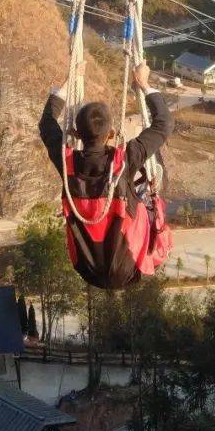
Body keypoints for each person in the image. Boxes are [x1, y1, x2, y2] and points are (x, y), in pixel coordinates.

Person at [38, 62, 174, 289]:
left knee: (135, 190)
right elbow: (164, 124)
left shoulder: (67, 162)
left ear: (76, 134)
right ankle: (142, 192)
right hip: (129, 267)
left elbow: (46, 124)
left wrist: (67, 84)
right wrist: (144, 84)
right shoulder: (124, 160)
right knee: (149, 191)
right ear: (111, 134)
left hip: (88, 268)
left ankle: (138, 192)